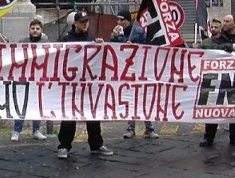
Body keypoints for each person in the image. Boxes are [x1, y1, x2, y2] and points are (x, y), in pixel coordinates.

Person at [56, 11, 113, 159]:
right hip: (71, 85)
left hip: (88, 85)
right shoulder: (65, 39)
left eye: (86, 21)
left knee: (93, 115)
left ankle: (96, 144)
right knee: (69, 116)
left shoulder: (92, 39)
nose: (85, 24)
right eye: (82, 22)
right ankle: (64, 145)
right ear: (75, 23)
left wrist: (99, 46)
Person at [199, 14, 235, 147]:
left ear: (234, 24)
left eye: (227, 21)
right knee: (213, 108)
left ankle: (234, 138)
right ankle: (209, 137)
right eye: (224, 21)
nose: (224, 23)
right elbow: (212, 50)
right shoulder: (217, 38)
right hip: (218, 80)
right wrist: (230, 47)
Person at [110, 9, 159, 140]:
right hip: (126, 72)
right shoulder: (117, 32)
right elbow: (111, 50)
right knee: (130, 99)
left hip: (139, 70)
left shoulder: (138, 32)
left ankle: (149, 128)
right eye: (118, 19)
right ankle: (131, 127)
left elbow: (147, 47)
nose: (119, 22)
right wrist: (114, 38)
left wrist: (134, 47)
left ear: (128, 20)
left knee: (143, 98)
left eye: (122, 20)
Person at [12, 19, 48, 141]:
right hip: (24, 77)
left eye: (37, 28)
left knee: (36, 103)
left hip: (38, 78)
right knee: (22, 103)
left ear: (41, 31)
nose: (35, 30)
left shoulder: (46, 43)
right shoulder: (22, 42)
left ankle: (36, 130)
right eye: (33, 28)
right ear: (29, 30)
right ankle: (16, 131)